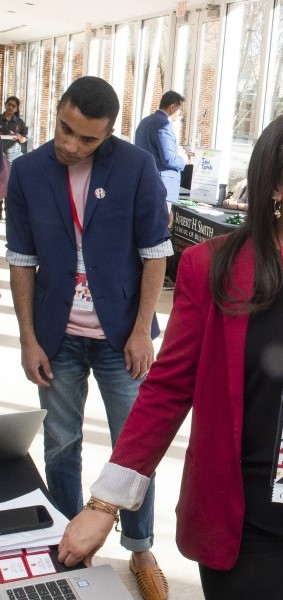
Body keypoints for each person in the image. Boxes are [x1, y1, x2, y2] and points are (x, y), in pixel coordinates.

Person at [57, 112, 283, 600]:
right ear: (274, 185)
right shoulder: (215, 267)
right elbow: (168, 390)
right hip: (245, 514)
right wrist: (105, 503)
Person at [4, 76, 172, 600]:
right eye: (64, 129)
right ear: (56, 111)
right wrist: (28, 338)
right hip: (57, 337)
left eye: (87, 139)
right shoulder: (28, 172)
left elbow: (154, 253)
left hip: (122, 336)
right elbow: (23, 262)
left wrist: (143, 330)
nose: (71, 145)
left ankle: (140, 545)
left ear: (110, 134)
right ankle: (72, 543)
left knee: (133, 447)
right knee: (62, 444)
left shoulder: (136, 166)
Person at [134, 90, 192, 208]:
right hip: (161, 186)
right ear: (172, 107)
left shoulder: (145, 122)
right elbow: (169, 159)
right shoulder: (163, 125)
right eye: (180, 110)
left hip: (144, 182)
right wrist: (185, 160)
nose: (180, 115)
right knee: (159, 224)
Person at [0, 95, 28, 220]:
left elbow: (24, 139)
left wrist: (21, 138)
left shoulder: (19, 123)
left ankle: (8, 212)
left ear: (16, 108)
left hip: (12, 157)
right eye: (8, 104)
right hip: (1, 156)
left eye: (13, 106)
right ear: (5, 105)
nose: (10, 107)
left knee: (9, 184)